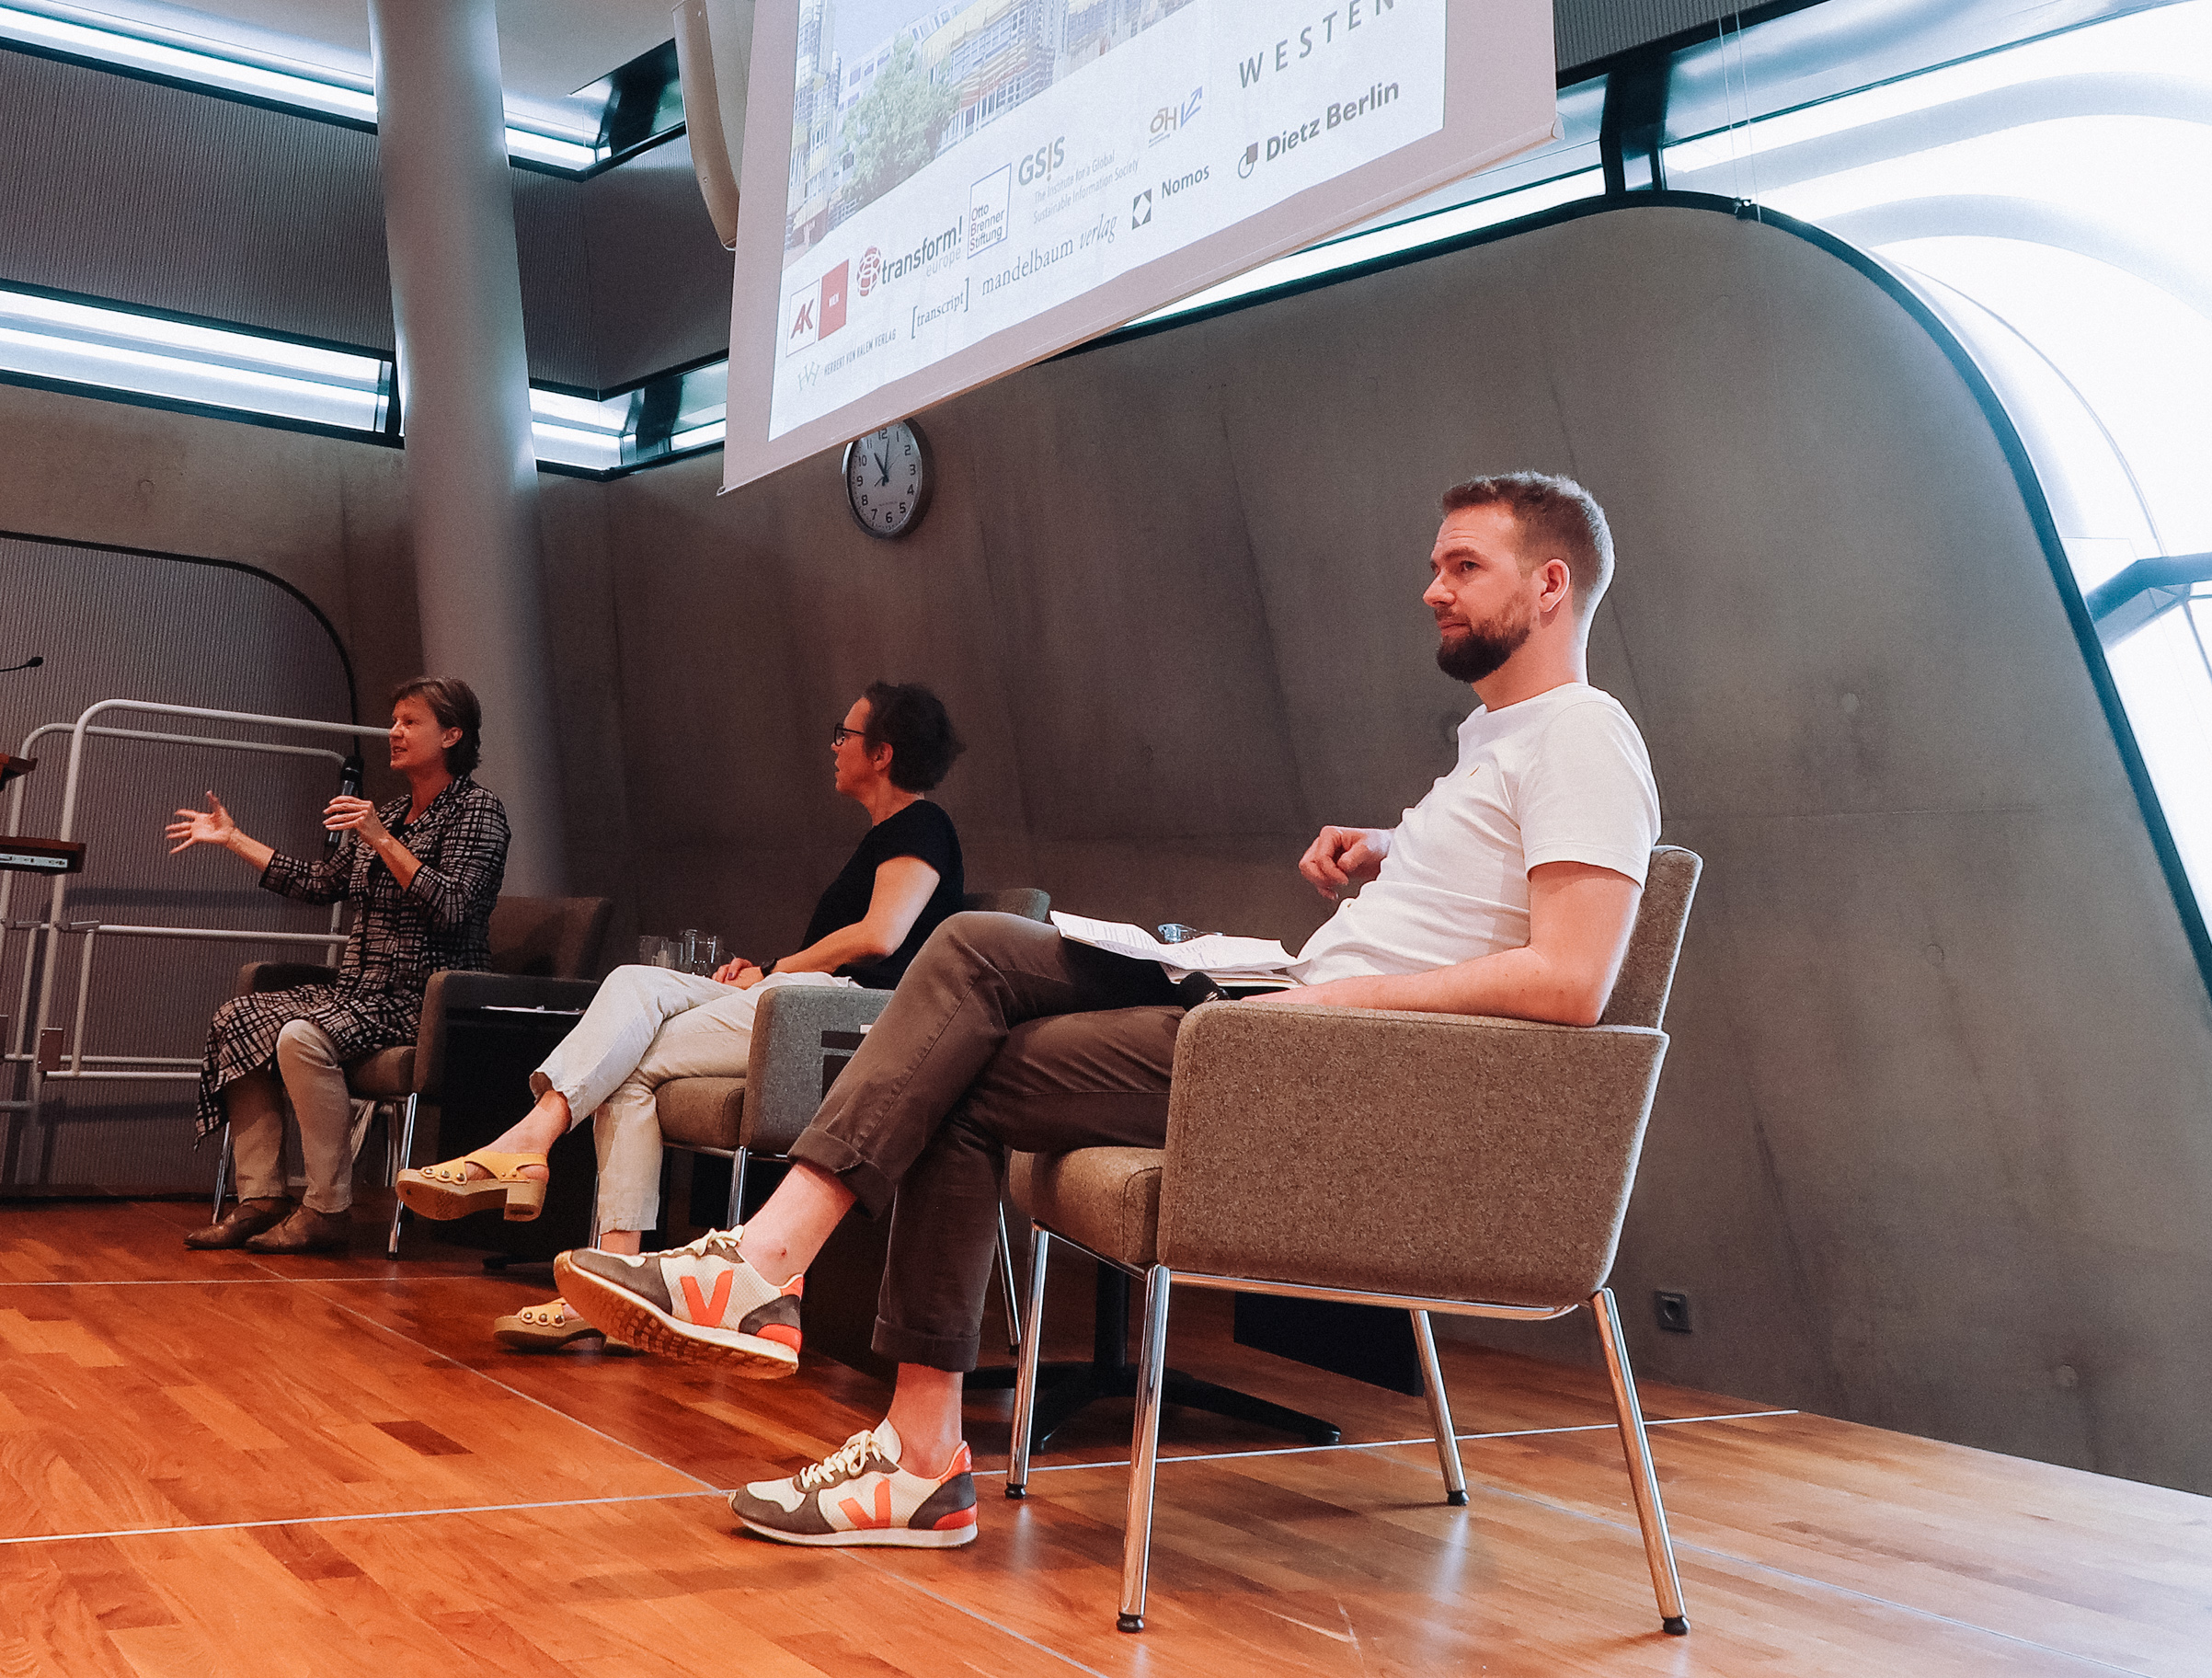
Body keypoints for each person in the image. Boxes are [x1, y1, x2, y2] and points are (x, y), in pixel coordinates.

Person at [552, 472, 1662, 1549]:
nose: (1432, 589)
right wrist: (1395, 845)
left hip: (1327, 1058)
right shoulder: (1501, 741)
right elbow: (1488, 892)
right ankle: (843, 1366)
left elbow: (1572, 982)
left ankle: (808, 1326)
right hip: (1288, 1023)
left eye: (1464, 567)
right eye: (1436, 565)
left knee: (959, 1028)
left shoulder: (1583, 733)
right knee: (972, 971)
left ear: (1550, 584)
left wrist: (1344, 994)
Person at [395, 682, 967, 1352]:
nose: (834, 747)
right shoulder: (885, 836)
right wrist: (768, 971)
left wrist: (777, 968)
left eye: (845, 734)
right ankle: (606, 1271)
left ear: (883, 752)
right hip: (802, 998)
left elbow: (881, 935)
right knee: (632, 984)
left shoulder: (922, 825)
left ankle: (553, 1190)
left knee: (625, 1064)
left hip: (840, 1021)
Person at [175, 677, 509, 1255]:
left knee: (302, 1036)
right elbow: (318, 883)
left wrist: (381, 839)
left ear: (451, 735)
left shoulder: (479, 812)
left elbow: (452, 905)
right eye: (394, 720)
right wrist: (234, 839)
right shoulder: (392, 813)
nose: (394, 732)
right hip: (360, 991)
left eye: (410, 722)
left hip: (421, 1001)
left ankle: (327, 1208)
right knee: (238, 1017)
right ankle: (262, 1198)